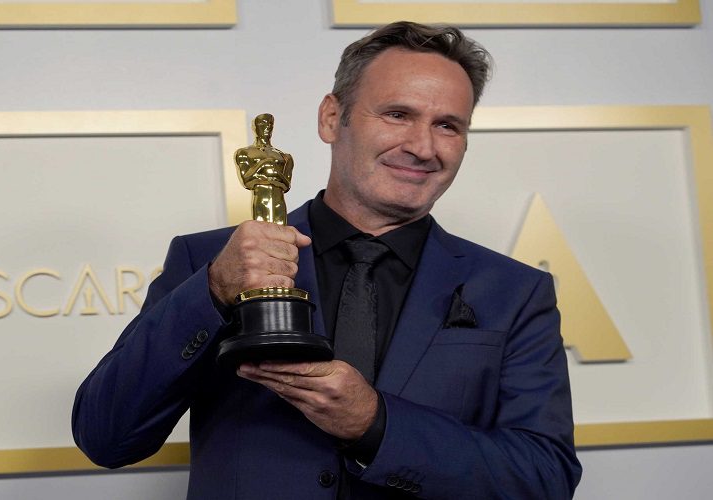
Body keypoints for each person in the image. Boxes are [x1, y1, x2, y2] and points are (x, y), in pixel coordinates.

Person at [73, 21, 582, 499]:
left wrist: (375, 424)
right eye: (398, 115)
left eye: (447, 125)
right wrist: (212, 290)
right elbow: (105, 437)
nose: (423, 147)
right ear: (332, 118)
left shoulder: (515, 291)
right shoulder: (209, 261)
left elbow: (545, 478)